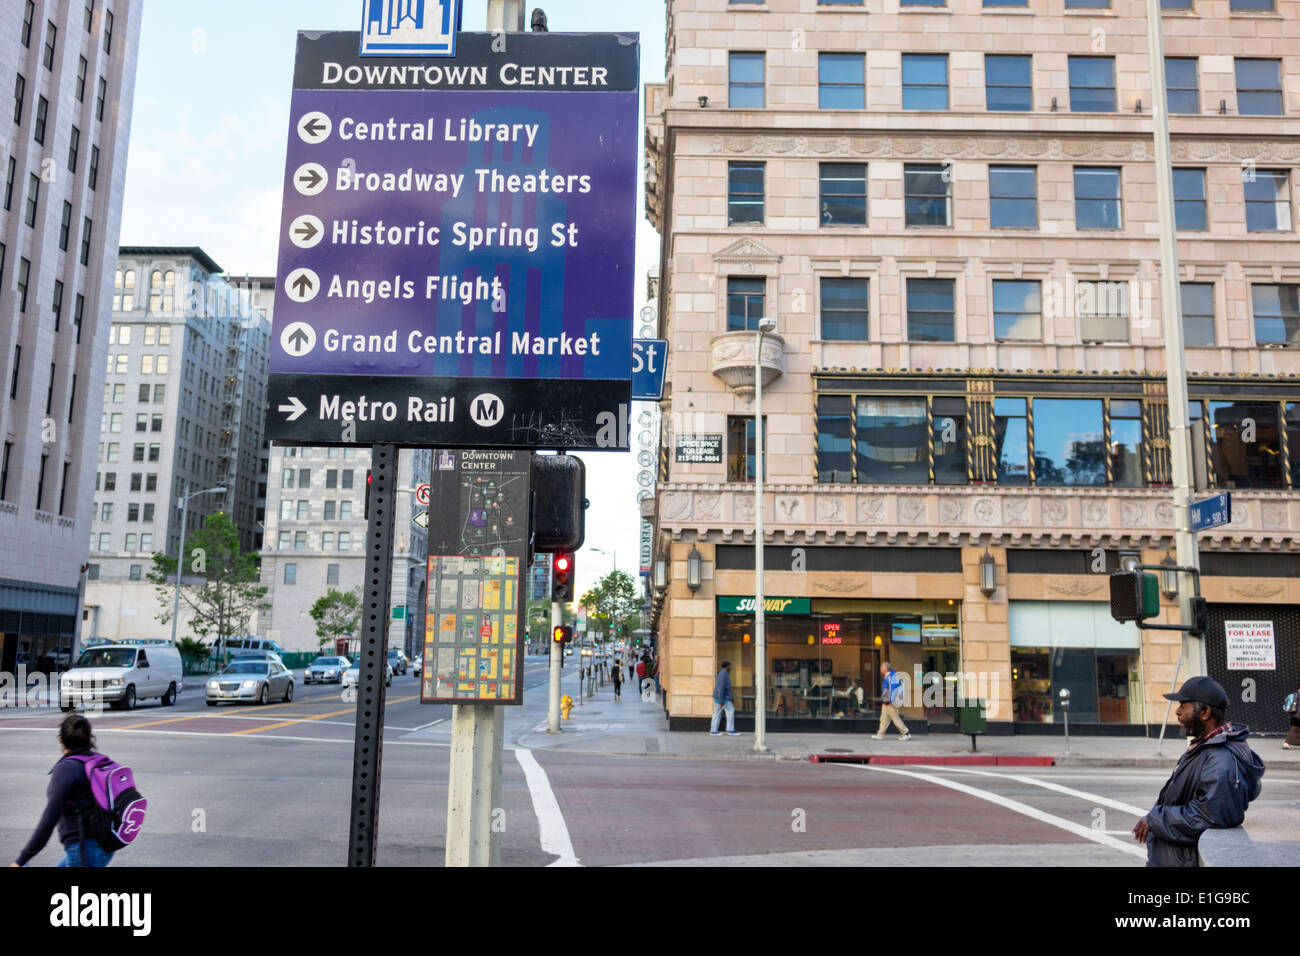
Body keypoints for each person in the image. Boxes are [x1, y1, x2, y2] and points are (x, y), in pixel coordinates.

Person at [1132, 676, 1265, 867]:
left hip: (1185, 861)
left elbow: (1209, 816)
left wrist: (1155, 819)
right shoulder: (1206, 747)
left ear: (1205, 712)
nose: (1177, 711)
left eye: (1183, 705)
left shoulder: (1221, 760)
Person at [11, 714, 115, 868]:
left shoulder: (66, 769)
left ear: (61, 740)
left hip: (83, 851)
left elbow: (48, 820)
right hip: (107, 845)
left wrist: (21, 860)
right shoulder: (100, 761)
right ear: (89, 738)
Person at [873, 661, 911, 741]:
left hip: (890, 702)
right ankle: (880, 734)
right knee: (884, 719)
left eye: (881, 667)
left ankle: (906, 733)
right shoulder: (890, 676)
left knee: (896, 719)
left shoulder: (891, 676)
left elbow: (893, 688)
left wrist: (891, 700)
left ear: (885, 669)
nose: (880, 669)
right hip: (887, 702)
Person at [710, 661, 741, 736]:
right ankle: (730, 730)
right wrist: (721, 700)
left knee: (717, 713)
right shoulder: (724, 674)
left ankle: (713, 731)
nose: (731, 667)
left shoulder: (722, 673)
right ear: (727, 666)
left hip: (720, 698)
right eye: (730, 666)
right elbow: (721, 688)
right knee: (730, 711)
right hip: (724, 698)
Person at [1284, 684, 1299, 750]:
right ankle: (1286, 743)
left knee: (1295, 729)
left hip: (1295, 714)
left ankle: (1286, 743)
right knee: (1295, 729)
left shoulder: (1295, 695)